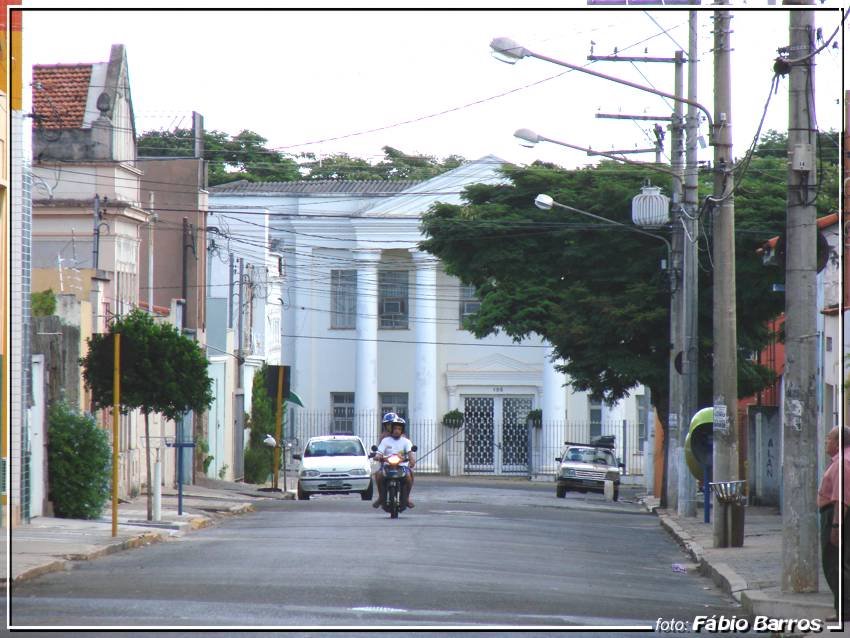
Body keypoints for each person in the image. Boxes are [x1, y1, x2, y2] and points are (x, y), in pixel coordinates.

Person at [818, 425, 850, 623]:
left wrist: (836, 526)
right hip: (838, 513)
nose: (826, 442)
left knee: (835, 564)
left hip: (837, 515)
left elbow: (842, 498)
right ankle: (842, 608)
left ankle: (845, 610)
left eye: (829, 438)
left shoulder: (843, 463)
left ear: (838, 443)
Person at [373, 414, 416, 509]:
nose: (397, 430)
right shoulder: (385, 440)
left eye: (399, 429)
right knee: (378, 475)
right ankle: (381, 497)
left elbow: (410, 453)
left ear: (402, 430)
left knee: (409, 476)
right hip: (387, 465)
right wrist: (377, 456)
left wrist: (412, 460)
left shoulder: (406, 441)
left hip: (402, 465)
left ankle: (407, 498)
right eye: (395, 428)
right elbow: (379, 452)